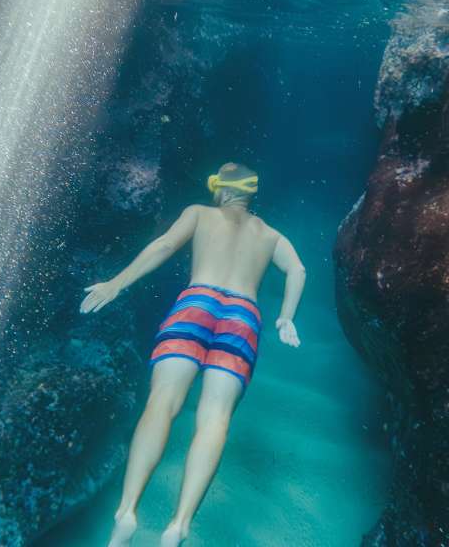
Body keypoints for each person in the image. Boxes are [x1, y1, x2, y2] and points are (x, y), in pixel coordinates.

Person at [80, 162, 306, 547]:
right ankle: (178, 526)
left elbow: (165, 245)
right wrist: (286, 317)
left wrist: (118, 283)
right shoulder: (271, 236)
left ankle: (128, 511)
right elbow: (298, 270)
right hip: (243, 317)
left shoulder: (199, 214)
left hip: (197, 303)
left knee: (162, 401)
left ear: (220, 189)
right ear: (251, 193)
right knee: (215, 420)